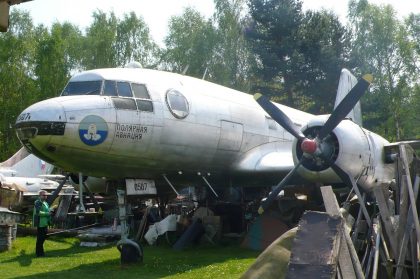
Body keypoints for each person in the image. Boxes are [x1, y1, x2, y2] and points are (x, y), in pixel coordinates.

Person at [33, 190, 51, 257]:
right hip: (40, 223)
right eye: (43, 195)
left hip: (45, 223)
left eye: (46, 195)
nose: (45, 196)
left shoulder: (46, 203)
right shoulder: (38, 202)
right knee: (40, 239)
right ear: (40, 196)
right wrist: (47, 214)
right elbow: (38, 213)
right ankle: (39, 253)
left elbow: (47, 211)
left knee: (43, 238)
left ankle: (41, 252)